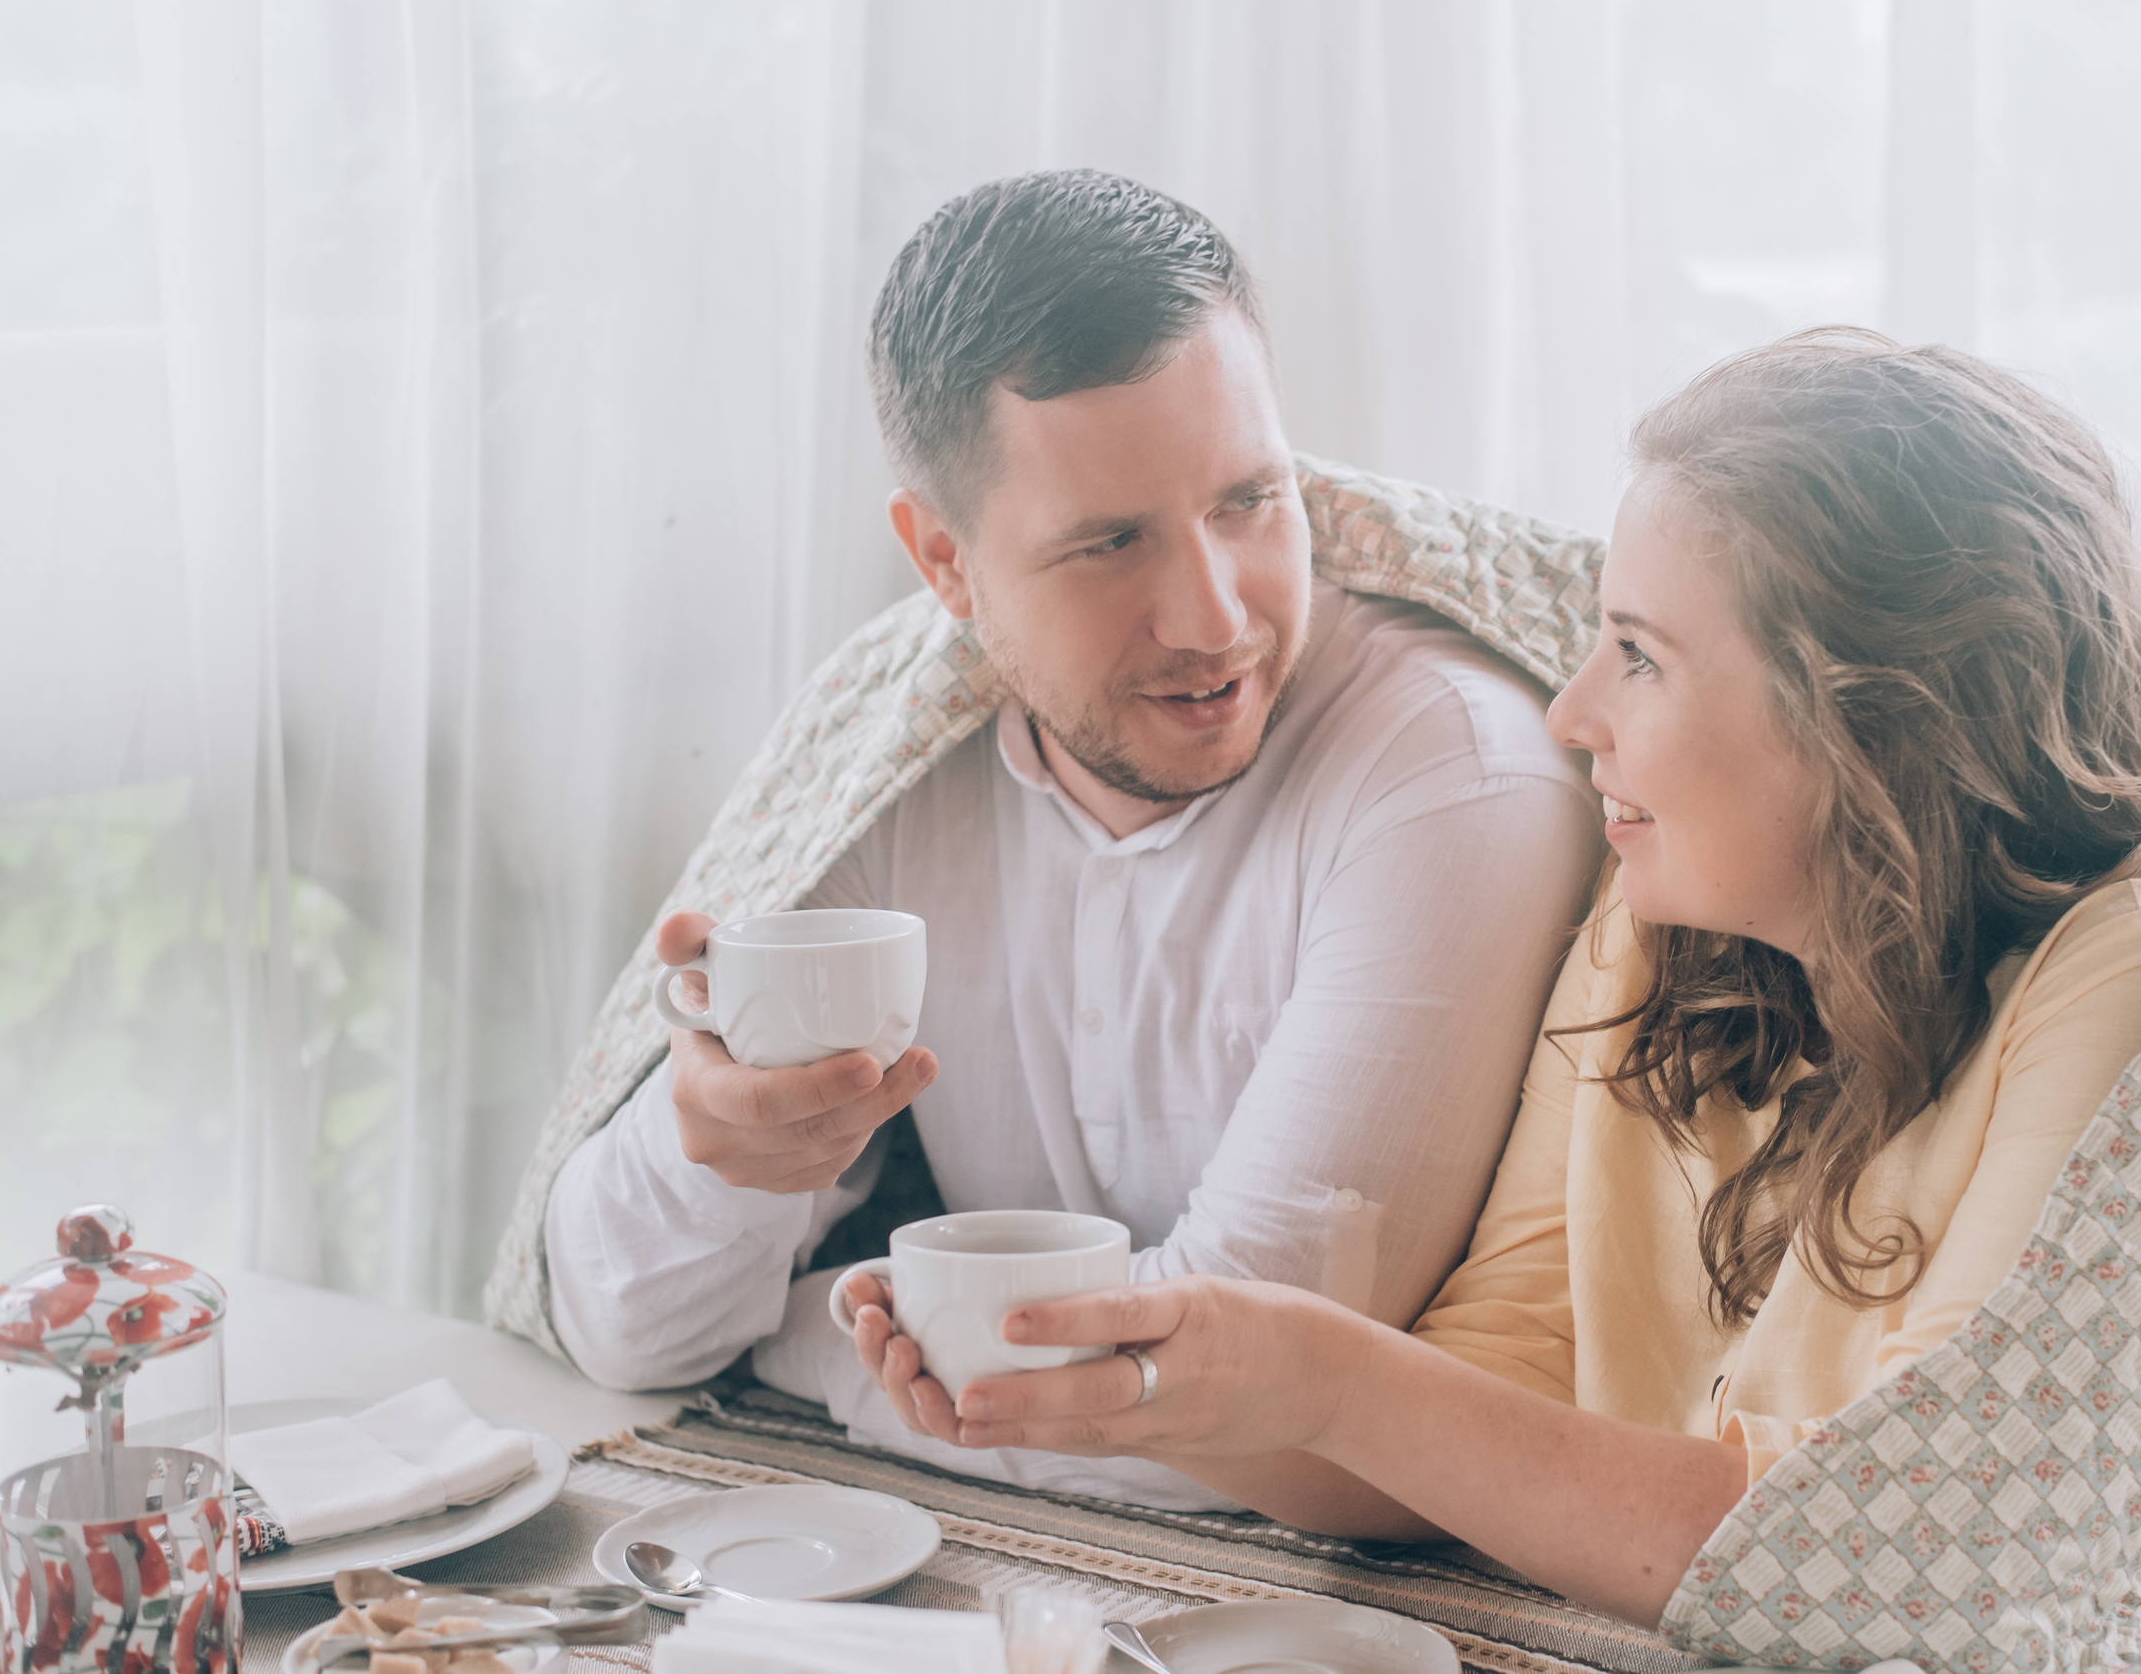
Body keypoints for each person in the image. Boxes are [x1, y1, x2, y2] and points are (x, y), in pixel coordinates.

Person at [847, 332, 2141, 1668]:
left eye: (1635, 652)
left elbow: (1909, 1563)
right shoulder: (1657, 930)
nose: (1569, 711)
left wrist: (1331, 1372)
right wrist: (1129, 1390)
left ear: (1868, 718)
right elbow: (1487, 1409)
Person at [528, 170, 1604, 1506]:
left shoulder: (1451, 769)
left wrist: (805, 1336)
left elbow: (1255, 1404)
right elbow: (627, 1327)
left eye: (1250, 500)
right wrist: (723, 1149)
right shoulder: (892, 775)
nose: (1213, 616)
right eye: (1109, 543)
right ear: (944, 565)